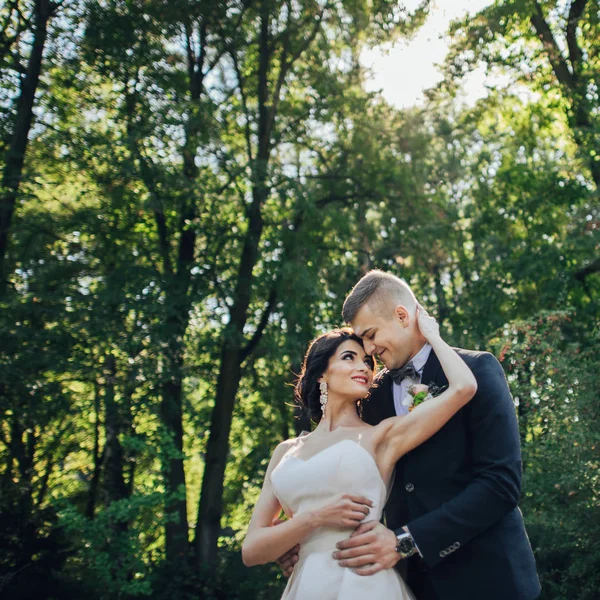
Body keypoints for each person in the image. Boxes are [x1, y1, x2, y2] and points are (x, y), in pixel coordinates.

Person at [316, 269, 539, 600]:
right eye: (362, 340)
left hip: (491, 580)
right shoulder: (371, 398)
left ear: (403, 316)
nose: (368, 349)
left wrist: (405, 540)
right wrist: (308, 542)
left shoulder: (478, 370)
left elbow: (501, 484)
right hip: (414, 587)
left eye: (371, 334)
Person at [242, 304, 478, 599]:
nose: (364, 367)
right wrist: (313, 520)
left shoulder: (382, 436)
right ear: (321, 374)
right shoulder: (285, 452)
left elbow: (464, 387)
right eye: (349, 357)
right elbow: (251, 551)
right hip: (307, 584)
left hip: (364, 582)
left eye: (368, 361)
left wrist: (432, 336)